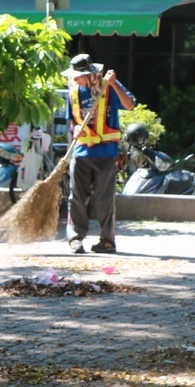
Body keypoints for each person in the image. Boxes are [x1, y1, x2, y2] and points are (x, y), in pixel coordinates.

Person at [63, 53, 135, 254]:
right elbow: (73, 123)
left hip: (106, 153)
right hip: (81, 152)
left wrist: (113, 84)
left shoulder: (108, 86)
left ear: (90, 74)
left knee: (104, 199)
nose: (75, 79)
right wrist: (75, 130)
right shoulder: (74, 93)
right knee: (76, 198)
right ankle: (75, 238)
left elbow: (129, 105)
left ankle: (107, 241)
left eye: (79, 75)